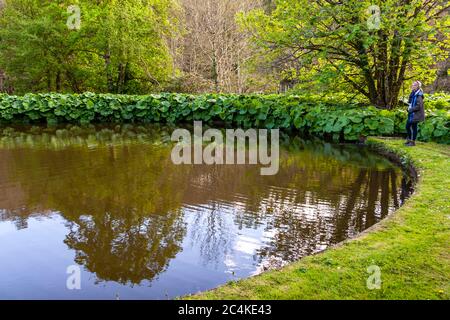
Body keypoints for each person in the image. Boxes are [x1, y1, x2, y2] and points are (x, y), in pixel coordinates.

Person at [405, 81, 425, 146]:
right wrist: (408, 106)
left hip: (416, 114)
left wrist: (411, 109)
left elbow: (419, 106)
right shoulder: (413, 93)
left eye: (414, 85)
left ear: (418, 86)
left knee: (414, 127)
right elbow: (410, 102)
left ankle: (412, 142)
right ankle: (409, 140)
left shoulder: (419, 95)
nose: (412, 86)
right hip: (411, 113)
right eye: (412, 85)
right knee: (407, 126)